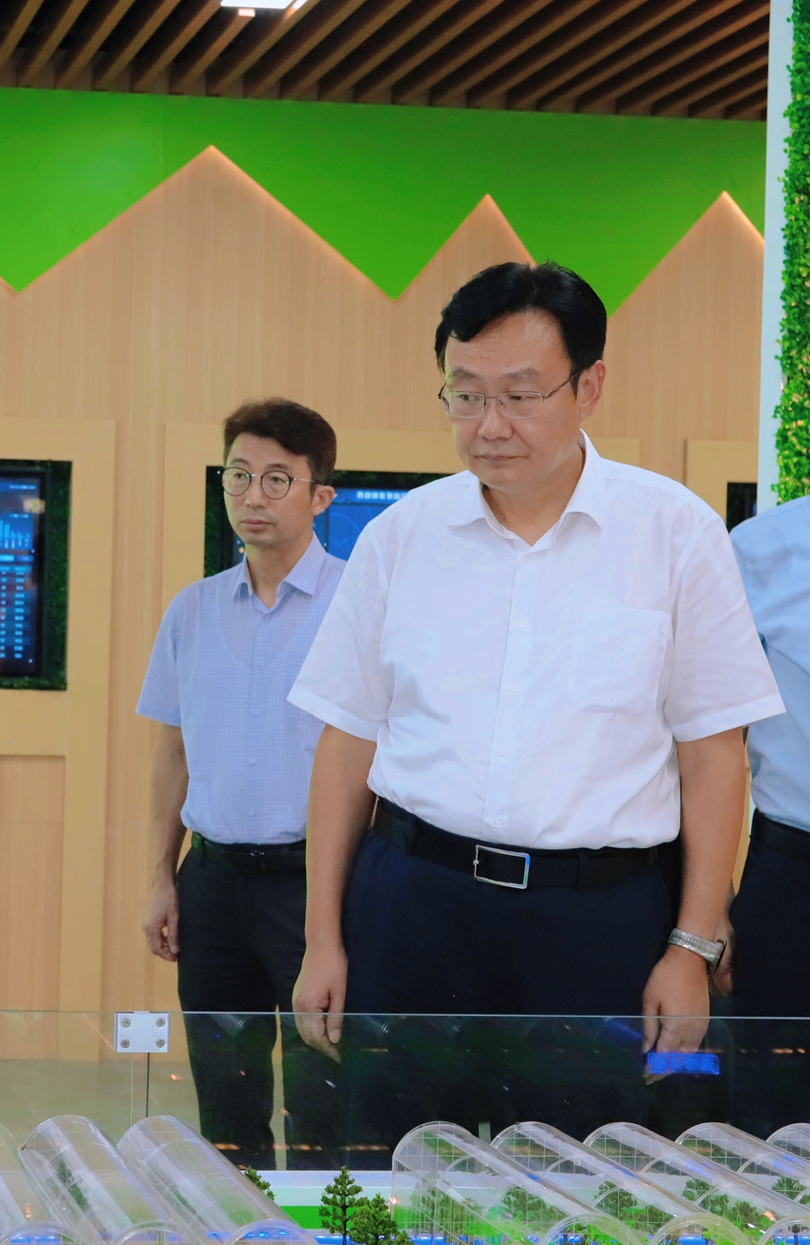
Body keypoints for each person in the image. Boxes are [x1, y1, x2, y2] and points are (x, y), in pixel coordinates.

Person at [288, 262, 780, 1159]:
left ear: (589, 386)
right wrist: (324, 937)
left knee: (589, 1180)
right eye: (465, 394)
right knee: (393, 1167)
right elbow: (346, 741)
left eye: (520, 395)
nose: (490, 425)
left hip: (597, 922)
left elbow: (715, 755)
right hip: (414, 904)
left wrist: (690, 948)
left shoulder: (674, 534)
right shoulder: (401, 538)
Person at [136, 397, 344, 1170]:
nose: (253, 496)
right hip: (215, 882)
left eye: (278, 479)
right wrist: (162, 875)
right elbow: (174, 751)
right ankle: (242, 1233)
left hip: (318, 884)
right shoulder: (191, 611)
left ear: (321, 495)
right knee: (226, 1100)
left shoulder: (358, 605)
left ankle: (330, 1239)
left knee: (326, 1094)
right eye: (238, 475)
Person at [728, 496, 810, 1133]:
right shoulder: (761, 549)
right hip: (794, 883)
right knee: (773, 1122)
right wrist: (702, 913)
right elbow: (705, 742)